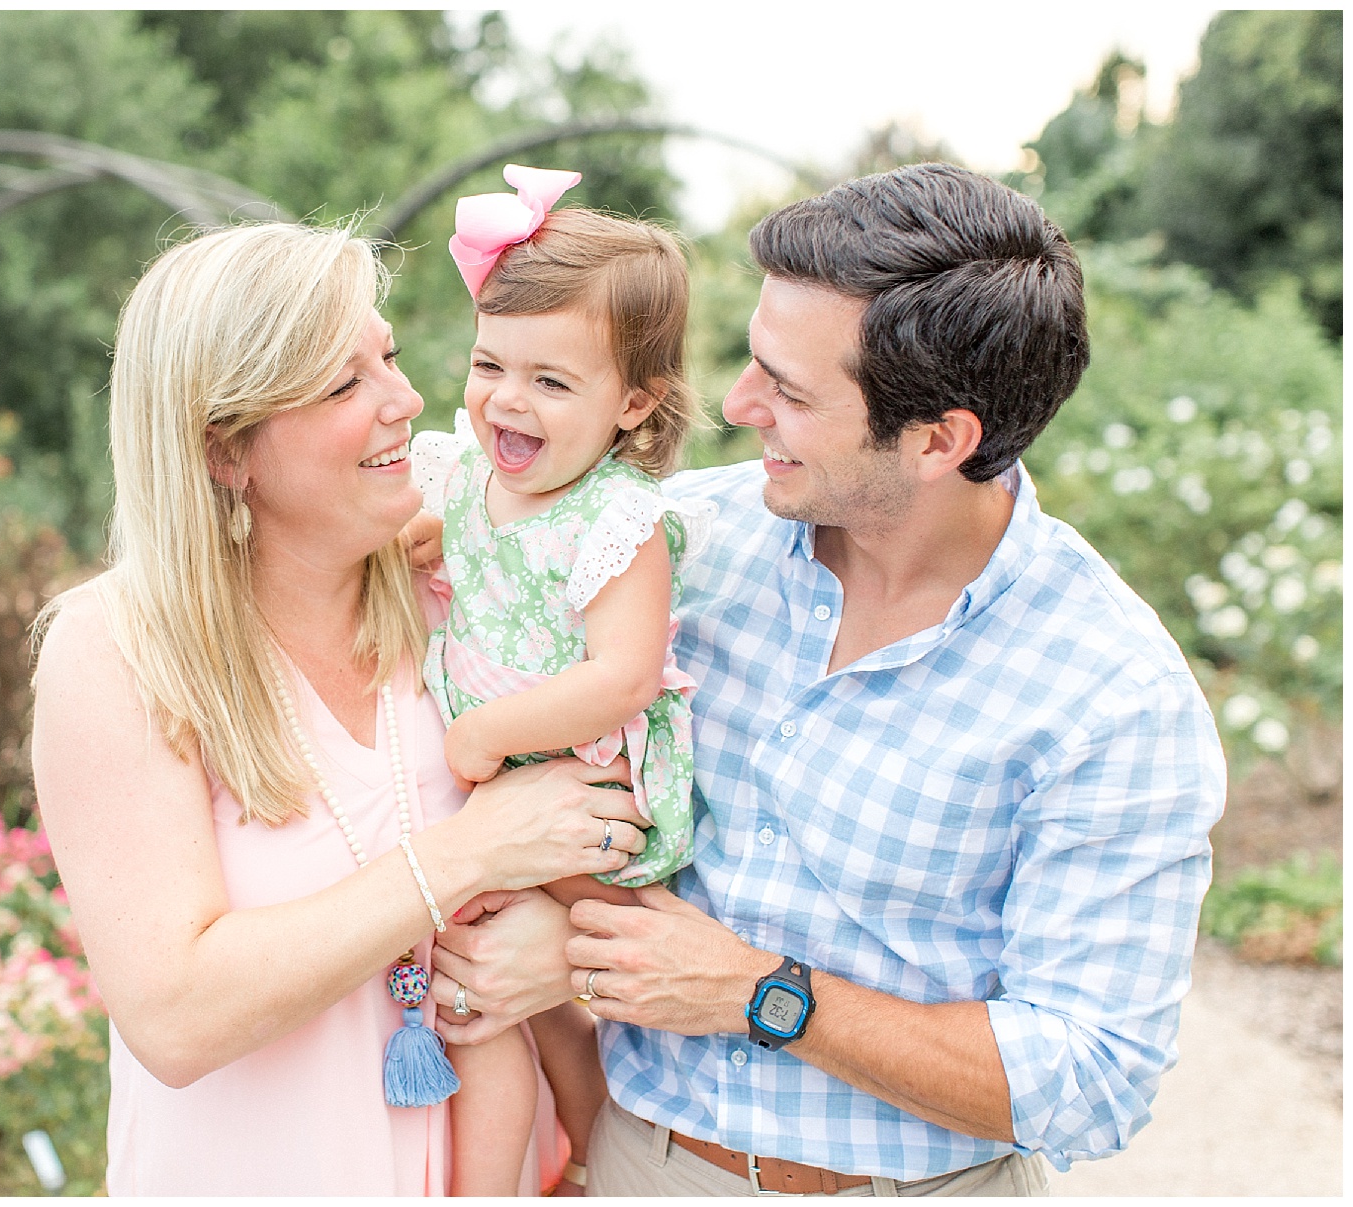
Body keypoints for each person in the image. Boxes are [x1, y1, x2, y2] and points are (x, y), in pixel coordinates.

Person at [423, 163, 1228, 1196]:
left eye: (790, 391)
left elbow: (1091, 1079)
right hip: (637, 1163)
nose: (736, 403)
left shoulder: (1111, 694)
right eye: (755, 362)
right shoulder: (679, 542)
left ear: (941, 440)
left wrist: (765, 994)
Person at [29, 221, 651, 1196]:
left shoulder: (464, 583)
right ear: (225, 451)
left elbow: (605, 837)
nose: (405, 401)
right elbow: (178, 1016)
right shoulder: (116, 651)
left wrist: (562, 958)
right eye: (342, 385)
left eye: (390, 358)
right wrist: (470, 856)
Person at [408, 165, 714, 1194]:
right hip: (502, 783)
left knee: (572, 965)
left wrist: (484, 734)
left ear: (634, 402)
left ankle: (598, 1151)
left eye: (552, 381)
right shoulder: (464, 477)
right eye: (492, 363)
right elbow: (418, 544)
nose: (506, 399)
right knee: (494, 996)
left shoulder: (617, 520)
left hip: (586, 789)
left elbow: (623, 675)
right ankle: (559, 1167)